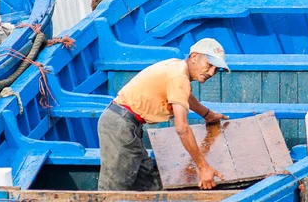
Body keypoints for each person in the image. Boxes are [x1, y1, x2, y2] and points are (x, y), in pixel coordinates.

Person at [97, 38, 230, 191]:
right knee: (112, 190)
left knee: (149, 184)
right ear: (194, 57)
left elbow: (185, 96)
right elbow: (182, 128)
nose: (212, 72)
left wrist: (208, 115)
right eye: (209, 65)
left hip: (126, 124)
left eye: (217, 69)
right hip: (119, 126)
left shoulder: (177, 68)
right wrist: (203, 167)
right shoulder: (179, 76)